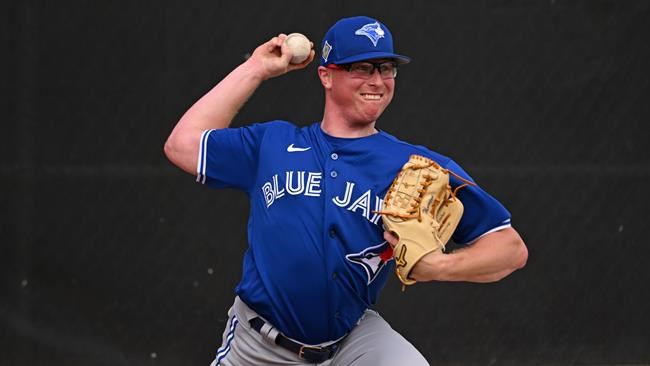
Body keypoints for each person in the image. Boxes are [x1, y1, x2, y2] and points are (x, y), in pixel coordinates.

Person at [164, 15, 528, 366]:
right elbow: (182, 145)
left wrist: (438, 267)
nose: (378, 80)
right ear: (326, 75)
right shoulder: (272, 143)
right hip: (258, 345)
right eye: (362, 68)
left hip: (352, 341)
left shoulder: (414, 165)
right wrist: (256, 69)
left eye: (387, 68)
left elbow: (509, 248)